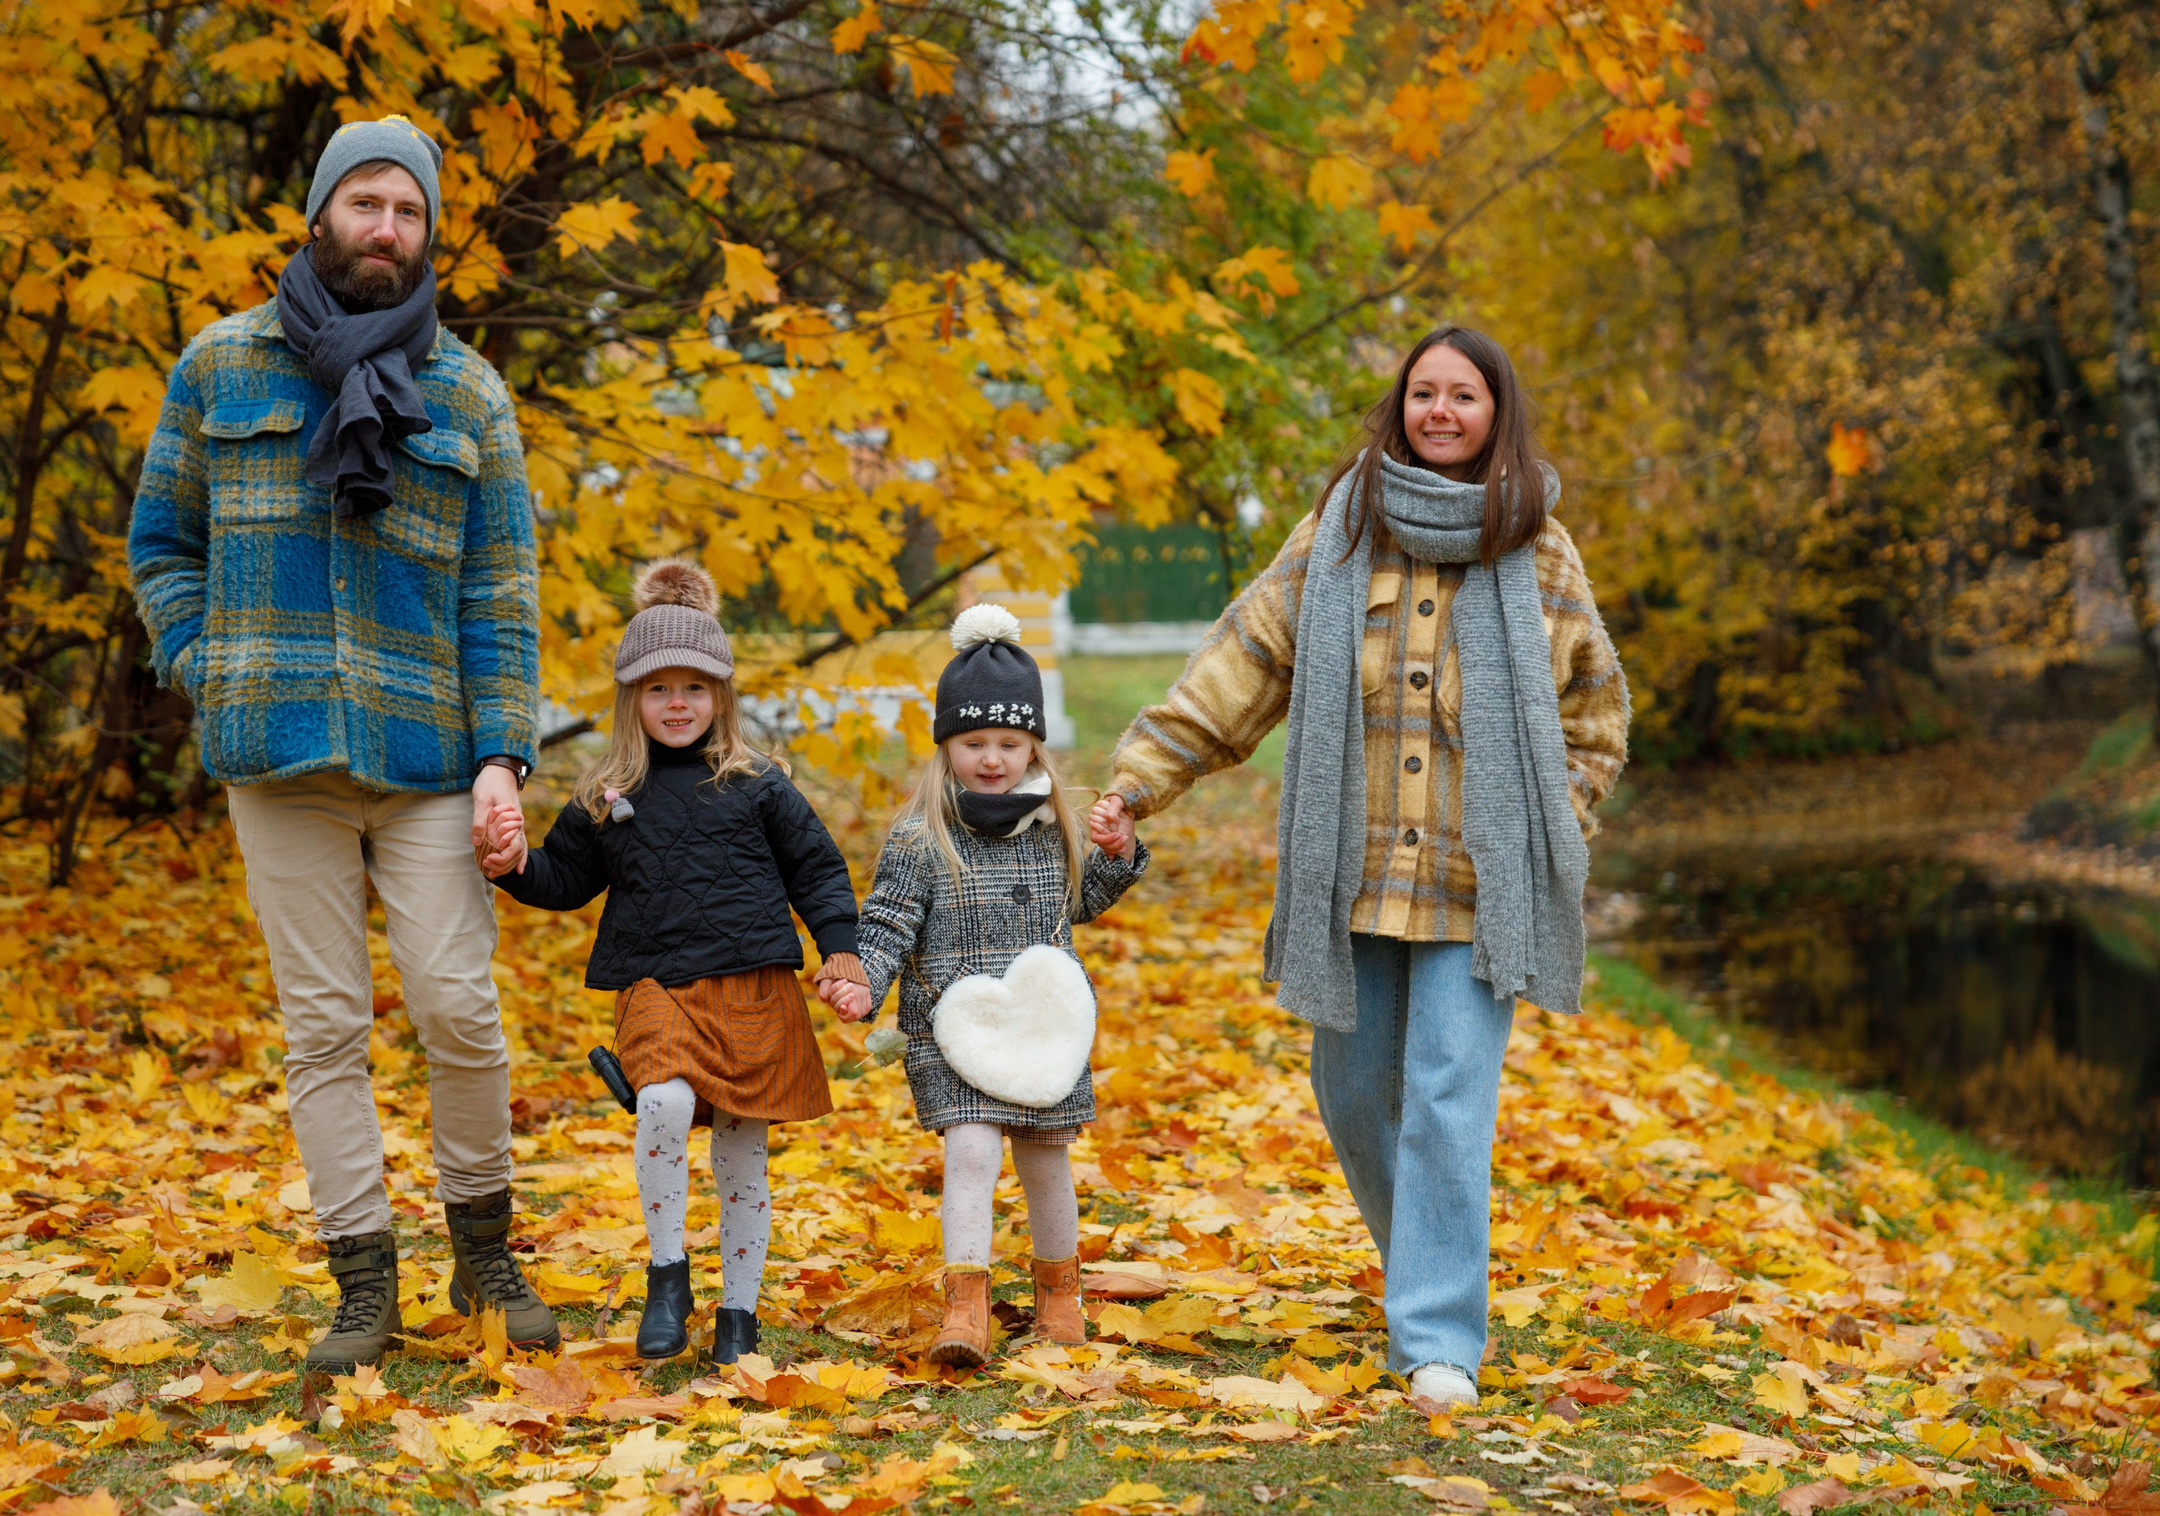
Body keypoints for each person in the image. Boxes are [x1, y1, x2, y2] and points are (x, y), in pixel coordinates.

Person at [1089, 326, 1629, 1407]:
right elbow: (1238, 666)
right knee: (1349, 1091)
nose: (1439, 411)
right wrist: (1134, 782)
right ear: (1399, 409)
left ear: (1495, 414)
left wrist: (1551, 829)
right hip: (1354, 873)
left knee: (1444, 1096)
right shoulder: (1335, 537)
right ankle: (1425, 1266)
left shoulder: (1539, 550)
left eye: (1462, 396)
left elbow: (1595, 716)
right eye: (1422, 393)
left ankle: (1435, 1339)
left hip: (1483, 885)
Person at [128, 115, 556, 1374]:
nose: (386, 229)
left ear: (428, 235)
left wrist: (502, 756)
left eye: (409, 211)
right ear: (320, 215)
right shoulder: (222, 368)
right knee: (321, 1029)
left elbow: (502, 594)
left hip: (430, 754)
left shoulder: (469, 391)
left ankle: (485, 1254)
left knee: (456, 1009)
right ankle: (362, 1281)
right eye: (366, 203)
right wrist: (204, 666)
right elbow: (162, 544)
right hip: (276, 756)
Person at [481, 560, 859, 1367]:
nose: (678, 703)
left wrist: (841, 951)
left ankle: (739, 1314)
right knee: (658, 1104)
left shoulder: (759, 785)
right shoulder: (607, 791)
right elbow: (566, 879)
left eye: (695, 686)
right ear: (631, 700)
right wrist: (512, 865)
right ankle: (667, 1275)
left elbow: (818, 872)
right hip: (656, 986)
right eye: (658, 689)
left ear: (722, 695)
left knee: (740, 1152)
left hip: (753, 987)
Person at [817, 604, 1149, 1369]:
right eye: (974, 742)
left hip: (1039, 1027)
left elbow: (1083, 903)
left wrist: (1115, 853)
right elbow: (889, 922)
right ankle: (965, 1302)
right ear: (946, 744)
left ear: (1034, 741)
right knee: (970, 1150)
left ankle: (1059, 1294)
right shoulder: (921, 834)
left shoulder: (1051, 826)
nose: (992, 758)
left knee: (1044, 1157)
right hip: (952, 1027)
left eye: (1008, 741)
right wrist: (862, 978)